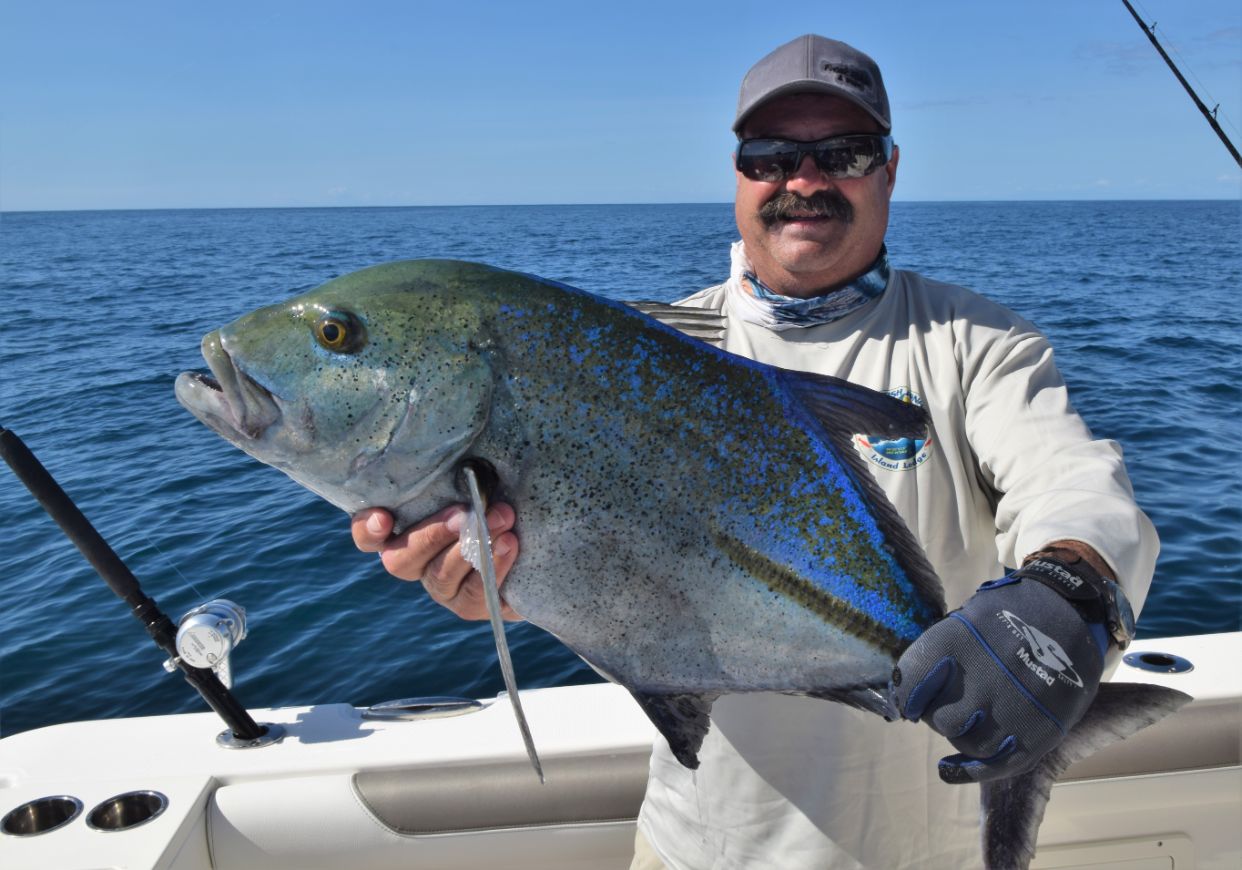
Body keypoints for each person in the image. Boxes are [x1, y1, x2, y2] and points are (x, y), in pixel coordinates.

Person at [352, 34, 1156, 869]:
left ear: (890, 169)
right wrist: (509, 582)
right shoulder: (647, 352)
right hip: (701, 846)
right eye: (771, 155)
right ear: (737, 174)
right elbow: (608, 553)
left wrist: (1069, 586)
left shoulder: (975, 344)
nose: (803, 180)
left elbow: (1072, 482)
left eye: (843, 152)